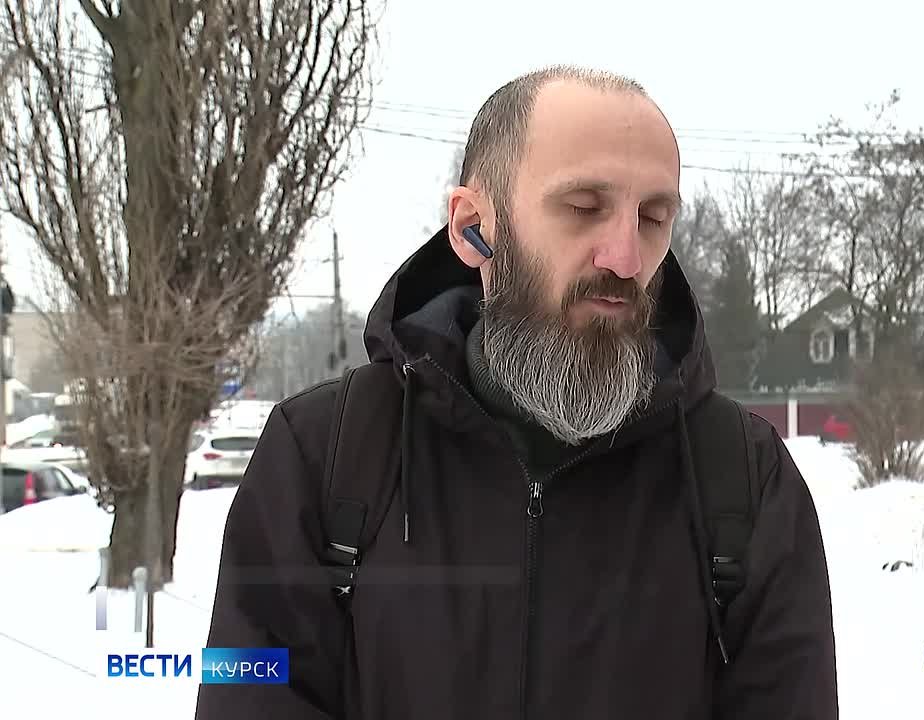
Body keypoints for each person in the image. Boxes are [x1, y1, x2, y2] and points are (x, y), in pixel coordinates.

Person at [195, 65, 837, 720]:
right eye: (583, 207)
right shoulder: (320, 457)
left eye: (653, 217)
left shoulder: (744, 480)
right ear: (473, 225)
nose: (626, 258)